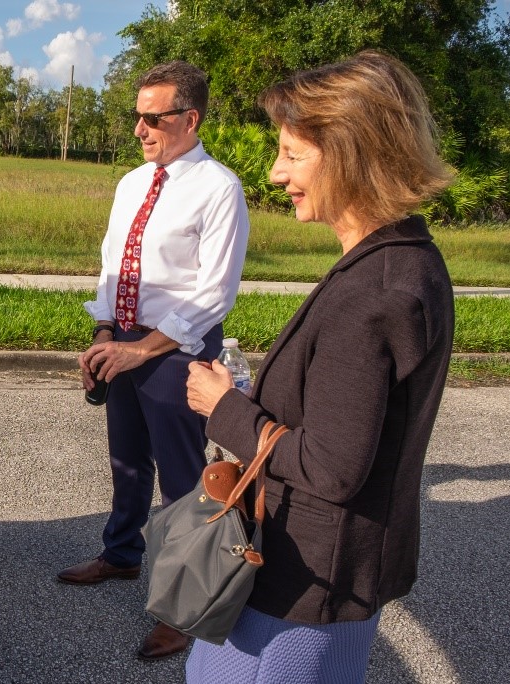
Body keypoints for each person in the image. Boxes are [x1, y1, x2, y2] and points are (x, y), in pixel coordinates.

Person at [184, 50, 454, 683]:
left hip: (305, 587)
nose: (277, 174)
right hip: (323, 575)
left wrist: (226, 407)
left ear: (352, 154)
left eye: (293, 154)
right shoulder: (403, 259)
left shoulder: (376, 292)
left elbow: (332, 467)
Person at [57, 61, 250, 660]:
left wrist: (143, 347)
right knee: (127, 461)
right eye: (136, 117)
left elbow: (215, 291)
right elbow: (113, 265)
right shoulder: (132, 183)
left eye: (152, 118)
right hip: (125, 340)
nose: (139, 129)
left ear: (189, 119)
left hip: (177, 350)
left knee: (183, 479)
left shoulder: (219, 187)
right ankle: (120, 554)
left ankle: (184, 604)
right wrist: (103, 331)